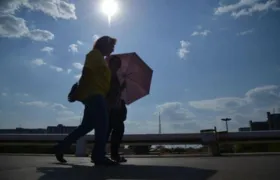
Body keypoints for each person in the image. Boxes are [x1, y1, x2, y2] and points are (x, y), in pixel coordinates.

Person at [54, 36, 118, 166]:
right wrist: (78, 92)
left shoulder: (102, 59)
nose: (113, 49)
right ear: (104, 44)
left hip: (96, 96)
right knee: (103, 126)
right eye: (111, 45)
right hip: (95, 96)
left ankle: (61, 147)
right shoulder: (94, 54)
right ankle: (98, 156)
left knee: (86, 126)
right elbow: (87, 73)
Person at [106, 56, 128, 163]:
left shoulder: (116, 76)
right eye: (115, 63)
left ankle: (109, 154)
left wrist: (122, 87)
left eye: (119, 63)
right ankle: (113, 155)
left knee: (112, 130)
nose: (117, 65)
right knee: (117, 130)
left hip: (116, 107)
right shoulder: (108, 76)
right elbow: (111, 92)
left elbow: (116, 92)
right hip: (111, 108)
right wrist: (121, 88)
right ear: (110, 64)